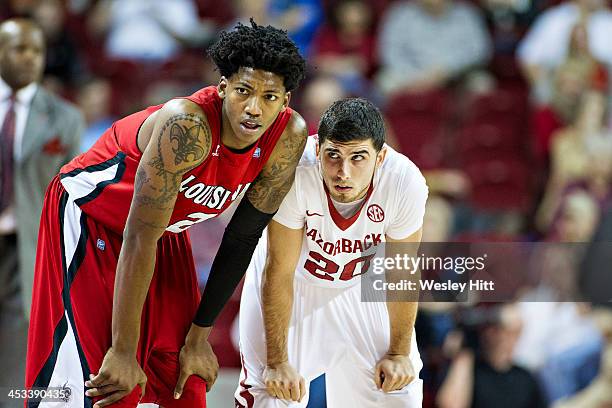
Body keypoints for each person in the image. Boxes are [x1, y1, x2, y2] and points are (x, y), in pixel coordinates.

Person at [25, 20, 307, 408]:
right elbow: (139, 236)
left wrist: (199, 337)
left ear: (285, 100)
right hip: (91, 216)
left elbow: (242, 238)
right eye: (243, 91)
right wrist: (123, 351)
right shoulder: (187, 125)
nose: (254, 108)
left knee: (182, 378)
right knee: (104, 384)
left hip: (163, 231)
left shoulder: (288, 136)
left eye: (269, 97)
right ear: (223, 87)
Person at [235, 98, 428, 407]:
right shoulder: (294, 172)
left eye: (358, 158)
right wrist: (278, 361)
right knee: (272, 395)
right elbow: (279, 271)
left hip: (359, 284)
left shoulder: (404, 182)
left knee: (398, 392)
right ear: (317, 150)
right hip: (295, 284)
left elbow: (402, 270)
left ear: (381, 158)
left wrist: (398, 353)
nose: (343, 172)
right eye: (333, 155)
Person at [0, 18, 83, 403]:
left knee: (20, 341)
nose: (30, 58)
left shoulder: (65, 117)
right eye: (20, 49)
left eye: (37, 51)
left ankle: (11, 401)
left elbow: (71, 194)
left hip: (30, 243)